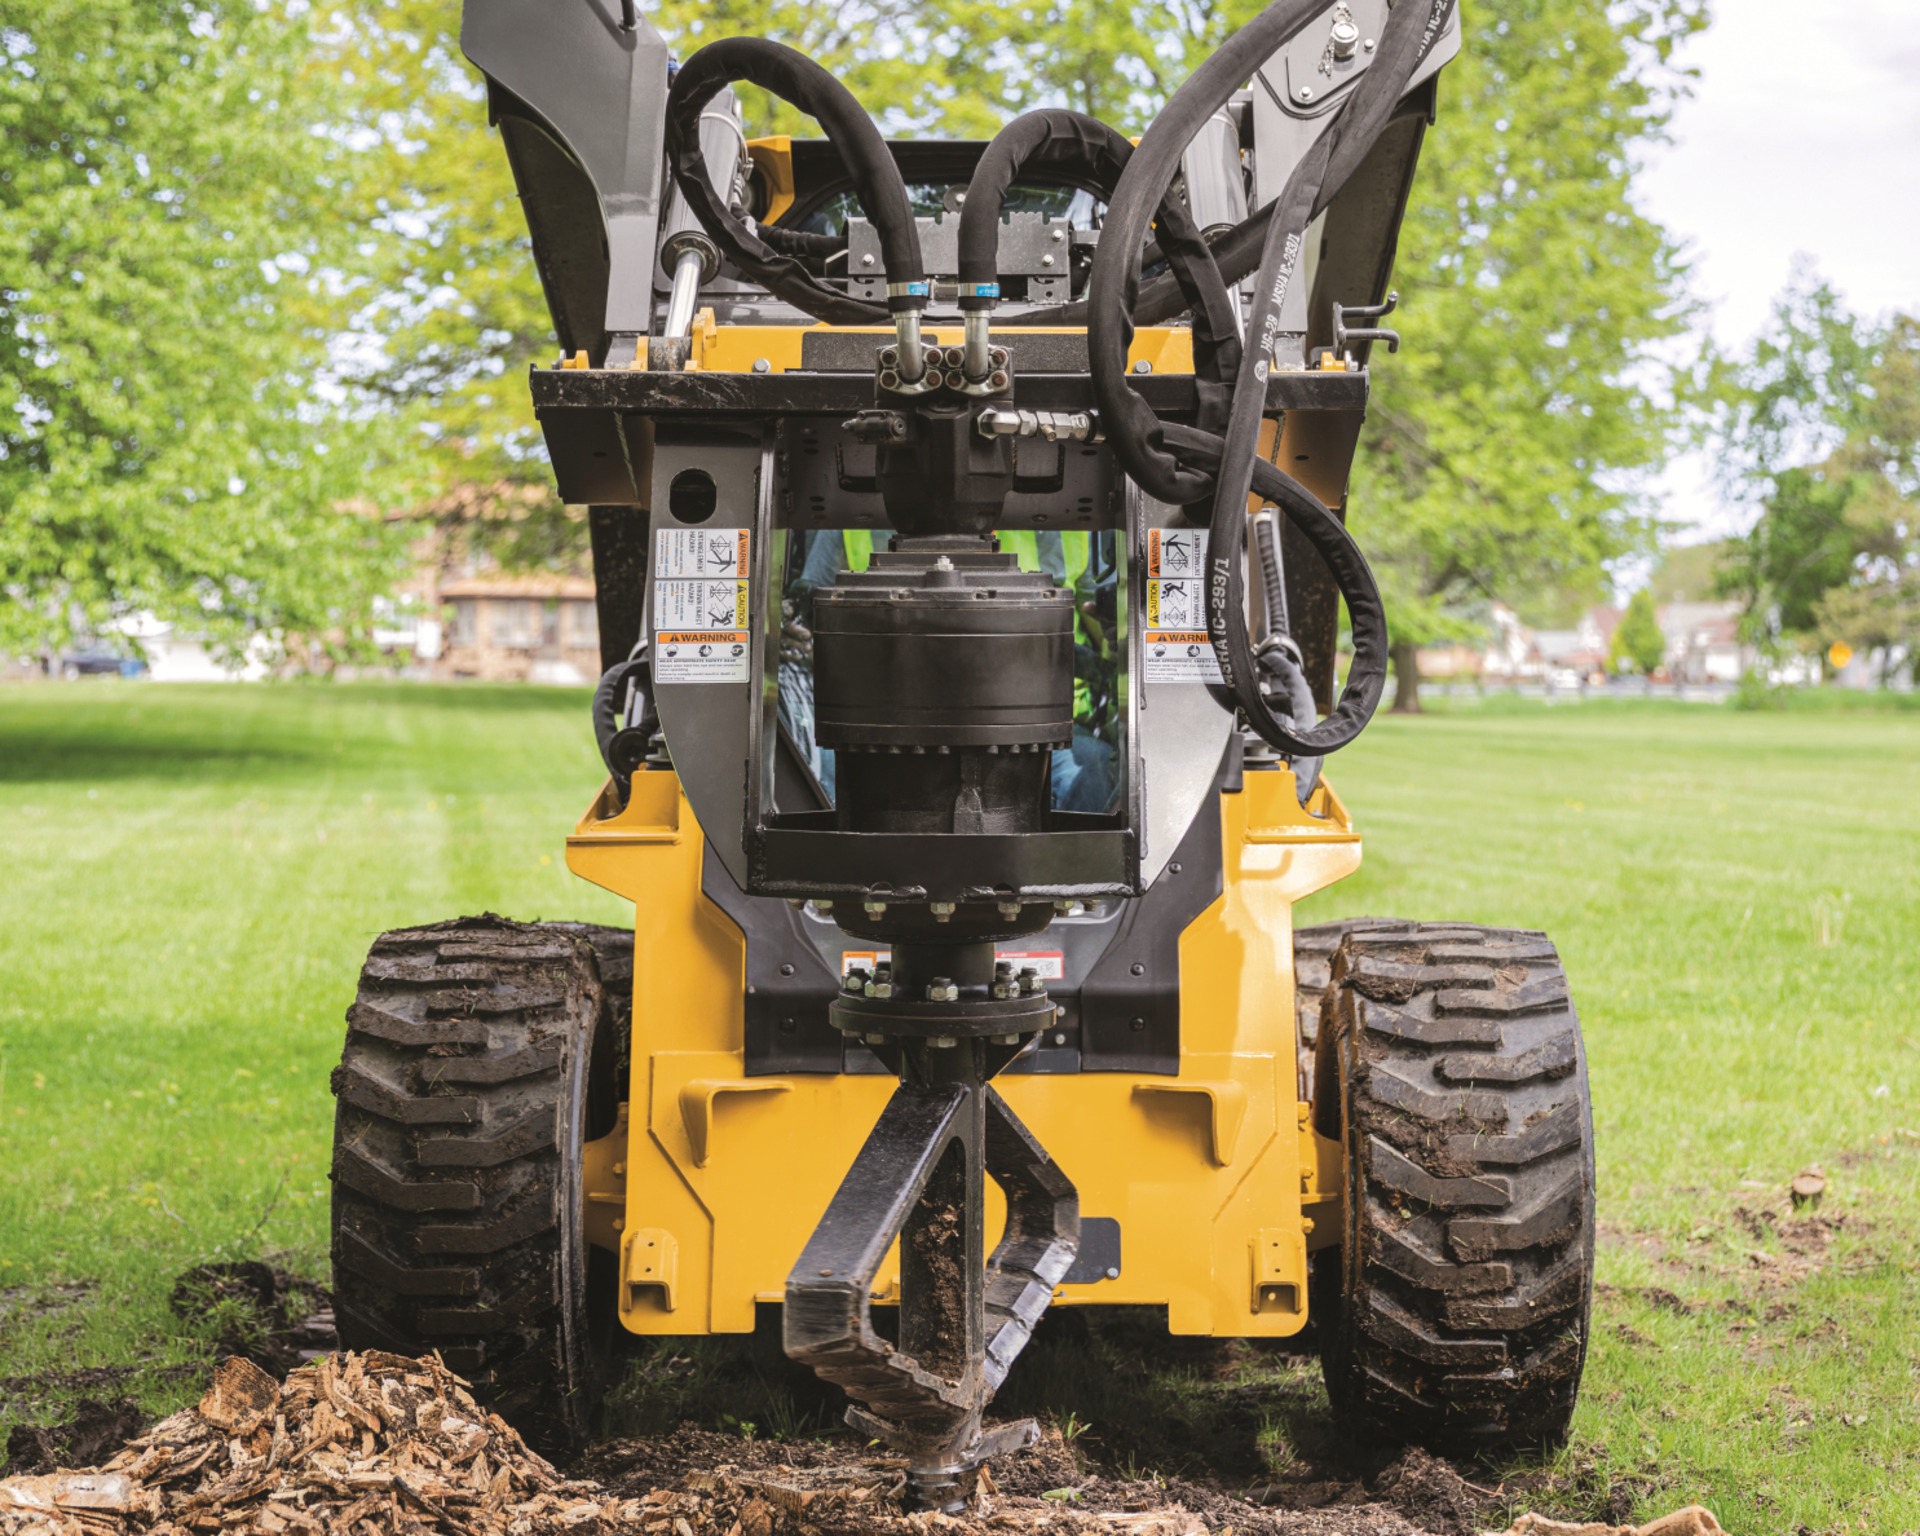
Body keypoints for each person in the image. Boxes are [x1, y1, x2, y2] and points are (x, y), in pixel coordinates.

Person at [778, 529, 1119, 812]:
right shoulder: (848, 519)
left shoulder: (1067, 523)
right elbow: (812, 614)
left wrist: (1115, 639)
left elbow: (1095, 621)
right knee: (824, 773)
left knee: (1097, 772)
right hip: (880, 730)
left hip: (1036, 732)